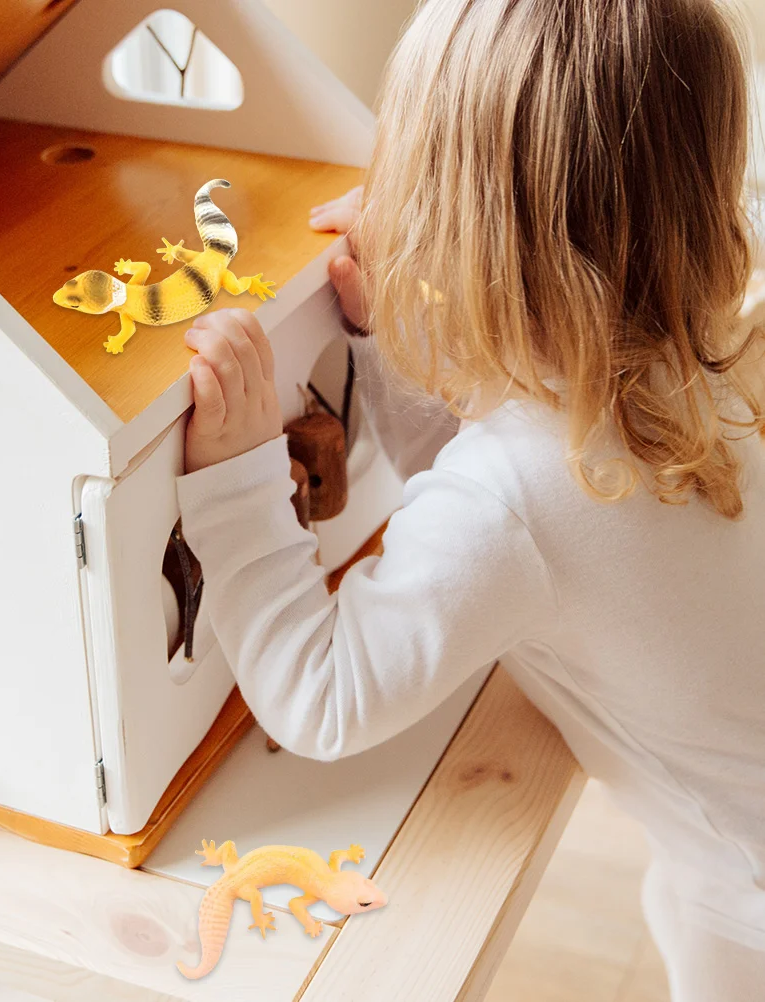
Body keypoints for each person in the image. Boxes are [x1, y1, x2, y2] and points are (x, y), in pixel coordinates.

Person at [175, 2, 765, 998]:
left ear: (460, 224)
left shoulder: (519, 501)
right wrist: (378, 344)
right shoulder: (685, 359)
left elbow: (325, 701)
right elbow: (492, 474)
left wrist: (233, 478)